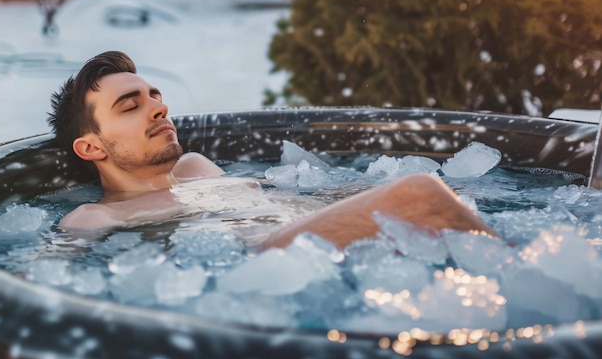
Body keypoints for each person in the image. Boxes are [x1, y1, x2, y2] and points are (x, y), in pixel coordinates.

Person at [48, 51, 497, 249]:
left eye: (154, 96)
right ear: (90, 147)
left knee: (414, 192)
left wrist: (357, 192)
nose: (159, 108)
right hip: (267, 262)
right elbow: (36, 291)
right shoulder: (94, 217)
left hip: (312, 236)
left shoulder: (196, 168)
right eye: (131, 106)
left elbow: (288, 198)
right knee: (418, 195)